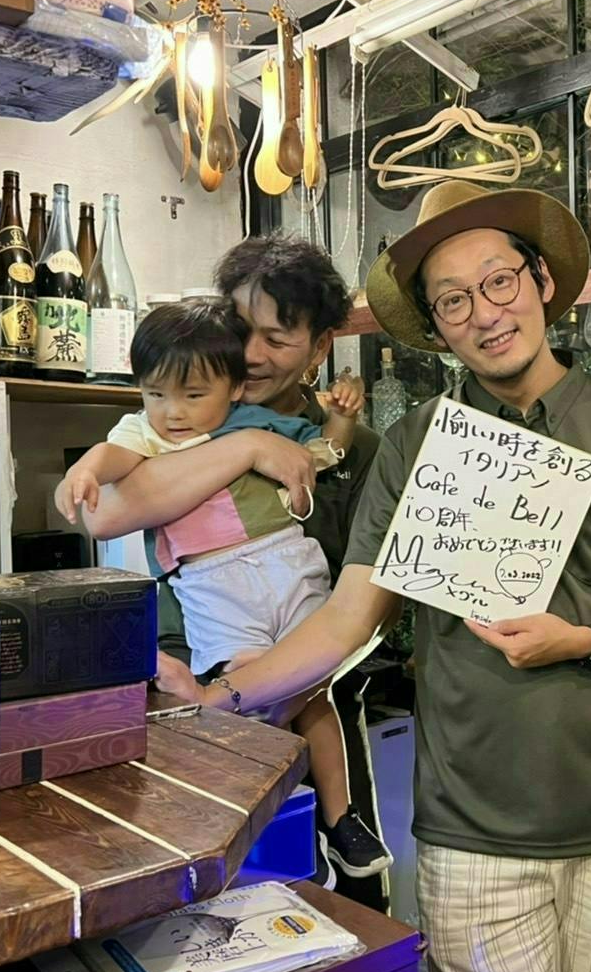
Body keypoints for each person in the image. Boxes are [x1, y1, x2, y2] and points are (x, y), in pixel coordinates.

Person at [157, 180, 591, 972]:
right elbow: (350, 615)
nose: (485, 313)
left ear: (541, 282)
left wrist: (587, 637)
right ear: (435, 324)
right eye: (453, 300)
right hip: (468, 826)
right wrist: (219, 696)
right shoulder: (419, 445)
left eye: (499, 281)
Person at [78, 236, 389, 894]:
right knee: (217, 900)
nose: (251, 354)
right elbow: (104, 515)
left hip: (316, 696)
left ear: (320, 347)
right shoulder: (175, 421)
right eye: (242, 330)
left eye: (277, 339)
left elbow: (369, 609)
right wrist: (246, 445)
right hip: (190, 695)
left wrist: (268, 686)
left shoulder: (359, 451)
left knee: (344, 902)